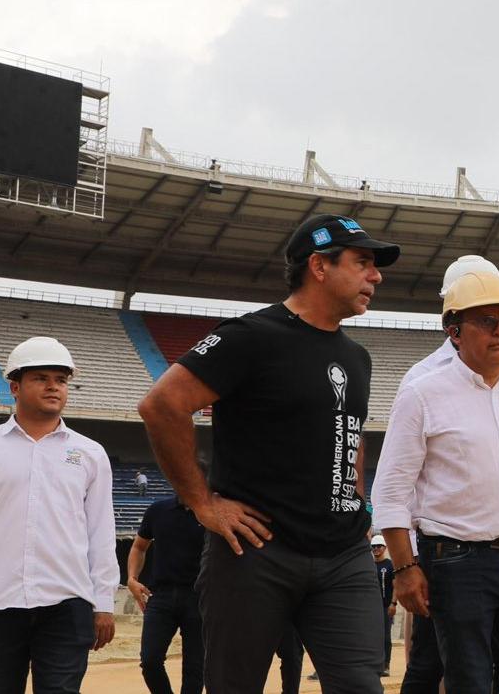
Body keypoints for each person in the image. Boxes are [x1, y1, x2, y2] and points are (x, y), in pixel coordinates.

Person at [137, 213, 399, 694]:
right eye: (363, 262)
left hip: (344, 554)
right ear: (319, 267)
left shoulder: (357, 357)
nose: (376, 275)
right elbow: (161, 405)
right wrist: (201, 502)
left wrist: (358, 507)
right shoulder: (252, 335)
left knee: (362, 686)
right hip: (256, 552)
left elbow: (350, 436)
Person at [372, 271, 499, 693]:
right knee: (468, 681)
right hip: (456, 562)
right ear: (454, 330)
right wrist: (405, 567)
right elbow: (390, 490)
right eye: (487, 321)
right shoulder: (423, 393)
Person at [0, 336, 118, 694]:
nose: (53, 386)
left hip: (68, 601)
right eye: (41, 378)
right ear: (15, 386)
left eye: (60, 380)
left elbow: (101, 532)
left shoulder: (90, 454)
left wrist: (103, 601)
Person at [129, 490, 208, 694]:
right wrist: (132, 579)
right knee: (150, 660)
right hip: (160, 596)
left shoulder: (211, 514)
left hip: (198, 597)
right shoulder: (158, 510)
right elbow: (139, 546)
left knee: (195, 668)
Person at [373, 535, 395, 677]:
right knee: (373, 637)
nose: (376, 549)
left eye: (379, 546)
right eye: (373, 547)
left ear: (385, 548)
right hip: (371, 607)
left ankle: (386, 665)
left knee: (385, 637)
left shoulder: (389, 565)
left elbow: (396, 585)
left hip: (386, 606)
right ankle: (375, 664)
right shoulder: (369, 564)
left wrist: (393, 603)